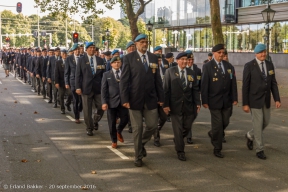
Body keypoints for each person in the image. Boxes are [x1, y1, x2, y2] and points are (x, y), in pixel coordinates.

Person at [120, 34, 164, 167]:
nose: (144, 44)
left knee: (152, 125)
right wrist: (125, 98)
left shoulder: (153, 57)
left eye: (146, 42)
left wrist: (161, 98)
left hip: (151, 99)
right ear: (136, 44)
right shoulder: (128, 58)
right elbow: (124, 80)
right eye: (142, 42)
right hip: (134, 99)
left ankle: (141, 144)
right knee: (137, 128)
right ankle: (138, 156)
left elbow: (157, 80)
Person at [242, 44, 281, 160]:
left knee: (266, 122)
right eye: (260, 52)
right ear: (255, 54)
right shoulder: (249, 66)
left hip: (266, 99)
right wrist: (245, 103)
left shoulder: (269, 65)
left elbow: (273, 83)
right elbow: (245, 86)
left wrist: (277, 99)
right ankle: (260, 149)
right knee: (258, 125)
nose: (263, 54)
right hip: (254, 100)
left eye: (264, 52)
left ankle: (250, 135)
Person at [201, 44, 238, 158]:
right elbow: (204, 84)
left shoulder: (229, 66)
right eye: (219, 52)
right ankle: (217, 147)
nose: (221, 55)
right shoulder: (208, 66)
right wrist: (205, 100)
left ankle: (213, 133)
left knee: (225, 122)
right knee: (217, 124)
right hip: (214, 101)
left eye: (223, 52)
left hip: (227, 101)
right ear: (214, 53)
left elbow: (233, 83)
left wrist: (235, 98)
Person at [163, 52, 201, 161]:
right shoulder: (170, 72)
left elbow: (195, 90)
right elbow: (166, 90)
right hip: (175, 105)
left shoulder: (191, 73)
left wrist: (198, 103)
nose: (185, 61)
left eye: (186, 59)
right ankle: (180, 151)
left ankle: (178, 139)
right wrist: (165, 105)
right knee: (178, 129)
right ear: (177, 61)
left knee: (187, 126)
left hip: (189, 105)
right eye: (182, 59)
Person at [75, 42, 105, 136]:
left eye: (93, 48)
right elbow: (78, 75)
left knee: (101, 107)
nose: (92, 49)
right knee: (87, 110)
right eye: (90, 48)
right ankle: (89, 128)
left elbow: (104, 75)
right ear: (86, 49)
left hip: (98, 88)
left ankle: (95, 120)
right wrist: (78, 87)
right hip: (86, 88)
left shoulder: (100, 60)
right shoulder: (81, 60)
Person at [101, 56, 129, 148]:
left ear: (121, 63)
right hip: (111, 102)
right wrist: (104, 102)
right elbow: (104, 89)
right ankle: (114, 140)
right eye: (115, 62)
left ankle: (119, 130)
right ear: (111, 64)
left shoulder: (125, 73)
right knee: (112, 122)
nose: (117, 64)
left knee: (125, 119)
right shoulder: (106, 75)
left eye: (118, 62)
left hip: (123, 101)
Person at [185, 51, 202, 144]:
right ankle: (188, 136)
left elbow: (199, 84)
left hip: (193, 97)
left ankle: (187, 132)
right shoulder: (181, 69)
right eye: (189, 59)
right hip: (184, 98)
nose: (190, 61)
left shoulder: (197, 70)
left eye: (192, 59)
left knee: (192, 116)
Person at [153, 54, 169, 147]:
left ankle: (156, 129)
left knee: (164, 117)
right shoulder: (152, 70)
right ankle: (156, 139)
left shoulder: (165, 68)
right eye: (157, 60)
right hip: (154, 98)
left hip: (163, 97)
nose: (158, 62)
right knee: (154, 119)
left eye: (159, 60)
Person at [65, 43, 83, 124]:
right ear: (73, 51)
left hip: (82, 82)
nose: (78, 51)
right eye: (76, 50)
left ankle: (79, 109)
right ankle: (77, 116)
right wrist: (66, 82)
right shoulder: (69, 59)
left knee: (82, 100)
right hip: (73, 82)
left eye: (79, 49)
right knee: (76, 100)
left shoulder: (83, 58)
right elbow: (67, 72)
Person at [55, 49, 72, 114]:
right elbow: (56, 73)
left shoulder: (70, 61)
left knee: (70, 94)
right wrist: (56, 82)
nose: (65, 55)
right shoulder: (58, 62)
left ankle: (67, 103)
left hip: (68, 81)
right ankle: (62, 108)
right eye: (63, 54)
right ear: (61, 55)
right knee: (61, 95)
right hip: (61, 81)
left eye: (66, 54)